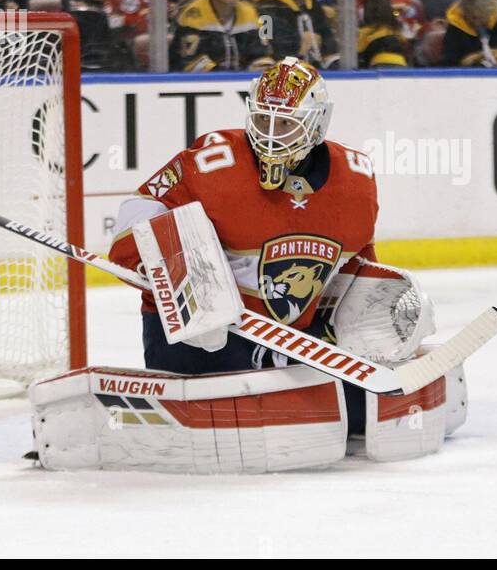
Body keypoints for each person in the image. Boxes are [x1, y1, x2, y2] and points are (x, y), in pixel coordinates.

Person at [106, 59, 381, 434]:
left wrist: (374, 315)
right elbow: (135, 220)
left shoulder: (356, 181)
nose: (270, 135)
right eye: (263, 120)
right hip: (201, 342)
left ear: (317, 123)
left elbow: (355, 269)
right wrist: (181, 289)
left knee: (362, 411)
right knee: (247, 408)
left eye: (285, 124)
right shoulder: (213, 160)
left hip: (288, 344)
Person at [172, 0, 268, 71]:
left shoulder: (251, 13)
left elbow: (261, 55)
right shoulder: (193, 15)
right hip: (202, 86)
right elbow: (190, 63)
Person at [357, 0, 411, 68]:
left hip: (378, 67)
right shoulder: (396, 30)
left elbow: (357, 54)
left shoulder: (364, 32)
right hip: (402, 67)